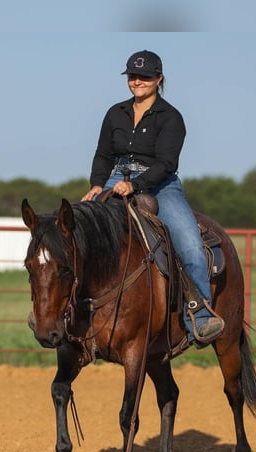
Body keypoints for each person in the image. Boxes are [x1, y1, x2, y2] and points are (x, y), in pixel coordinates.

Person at [82, 49, 224, 348]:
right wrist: (97, 185)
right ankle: (70, 313)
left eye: (145, 77)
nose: (138, 81)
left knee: (190, 244)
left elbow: (166, 163)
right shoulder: (115, 113)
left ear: (159, 79)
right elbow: (103, 153)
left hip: (160, 185)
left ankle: (199, 317)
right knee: (77, 233)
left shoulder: (171, 117)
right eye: (133, 76)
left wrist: (136, 185)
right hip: (115, 179)